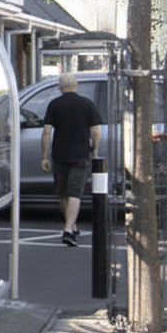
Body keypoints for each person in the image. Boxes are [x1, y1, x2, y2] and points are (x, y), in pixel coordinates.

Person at [41, 72, 102, 246]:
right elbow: (95, 131)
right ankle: (69, 229)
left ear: (60, 87)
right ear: (75, 86)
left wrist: (44, 157)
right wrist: (95, 151)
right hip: (80, 154)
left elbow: (46, 132)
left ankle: (71, 225)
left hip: (59, 154)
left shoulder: (54, 104)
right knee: (75, 193)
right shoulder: (87, 104)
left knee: (63, 193)